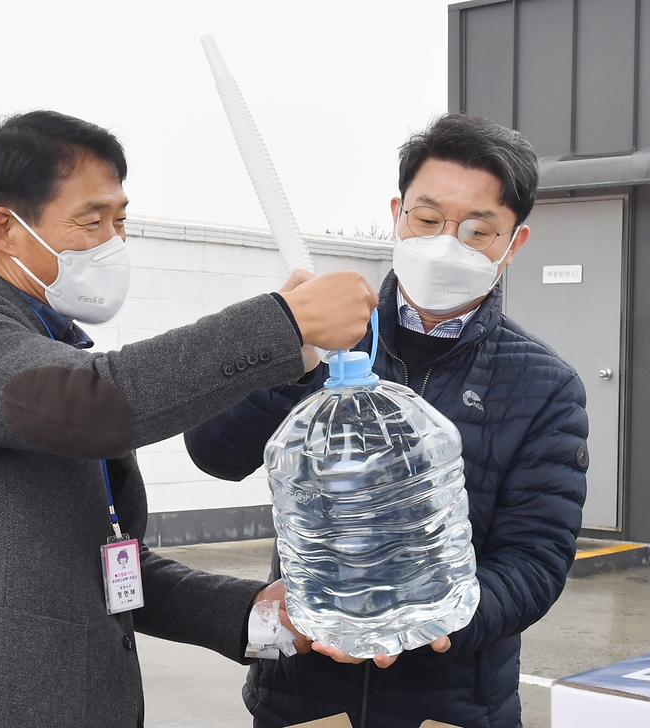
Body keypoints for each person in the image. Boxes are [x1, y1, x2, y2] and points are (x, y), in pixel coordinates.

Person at [0, 110, 378, 728]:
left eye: (121, 222)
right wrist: (284, 321)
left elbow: (114, 569)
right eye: (92, 222)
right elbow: (99, 404)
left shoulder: (59, 353)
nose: (113, 242)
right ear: (6, 230)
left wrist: (258, 614)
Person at [184, 113, 589, 728]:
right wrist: (285, 351)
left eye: (477, 229)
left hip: (449, 704)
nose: (445, 243)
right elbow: (214, 453)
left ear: (514, 245)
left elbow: (537, 558)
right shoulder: (324, 337)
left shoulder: (544, 385)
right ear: (397, 213)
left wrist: (436, 623)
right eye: (427, 221)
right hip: (301, 696)